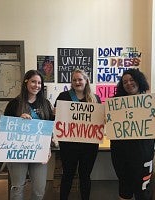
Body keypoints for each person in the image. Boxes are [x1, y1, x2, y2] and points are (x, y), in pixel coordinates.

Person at [110, 68, 155, 200]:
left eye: (131, 80)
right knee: (124, 188)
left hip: (143, 155)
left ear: (139, 81)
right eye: (125, 82)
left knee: (142, 190)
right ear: (122, 85)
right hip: (121, 154)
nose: (128, 83)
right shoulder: (115, 103)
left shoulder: (150, 102)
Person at [4, 70, 54, 200]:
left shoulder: (45, 104)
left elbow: (49, 128)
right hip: (17, 151)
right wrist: (18, 121)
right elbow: (4, 129)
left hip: (38, 151)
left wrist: (47, 148)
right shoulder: (14, 104)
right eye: (33, 81)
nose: (36, 85)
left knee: (39, 189)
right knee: (17, 187)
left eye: (39, 83)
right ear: (26, 82)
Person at [54, 69, 101, 200]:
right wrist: (55, 113)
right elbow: (56, 118)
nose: (77, 82)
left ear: (86, 81)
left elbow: (99, 120)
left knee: (85, 175)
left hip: (89, 146)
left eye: (80, 79)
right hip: (68, 145)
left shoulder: (95, 98)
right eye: (74, 80)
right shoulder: (63, 97)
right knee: (67, 174)